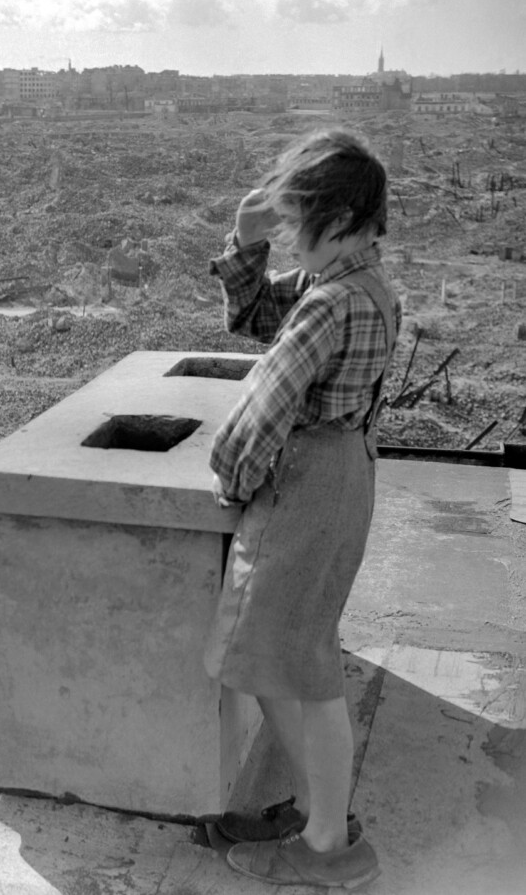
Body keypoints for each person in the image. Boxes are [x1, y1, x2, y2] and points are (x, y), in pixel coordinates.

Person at [204, 128, 400, 889]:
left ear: (341, 220)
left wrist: (232, 483)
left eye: (299, 221)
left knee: (303, 667)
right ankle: (323, 810)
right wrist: (243, 242)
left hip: (307, 487)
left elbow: (259, 411)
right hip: (344, 474)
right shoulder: (365, 287)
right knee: (275, 655)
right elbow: (259, 318)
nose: (290, 235)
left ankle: (327, 847)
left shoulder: (329, 305)